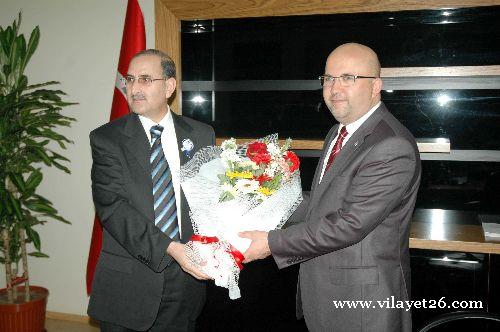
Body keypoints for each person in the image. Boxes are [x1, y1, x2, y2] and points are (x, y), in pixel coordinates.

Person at [241, 43, 421, 332]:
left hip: (363, 305)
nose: (334, 88)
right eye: (328, 78)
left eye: (348, 78)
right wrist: (263, 201)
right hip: (326, 294)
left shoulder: (391, 145)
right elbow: (323, 203)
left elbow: (349, 224)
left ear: (376, 86)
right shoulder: (338, 132)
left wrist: (270, 243)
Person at [88, 49, 215, 332]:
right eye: (130, 80)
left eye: (146, 79)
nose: (134, 88)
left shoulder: (201, 134)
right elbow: (113, 209)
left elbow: (210, 199)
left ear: (169, 86)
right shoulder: (107, 139)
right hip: (130, 282)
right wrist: (171, 248)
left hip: (187, 281)